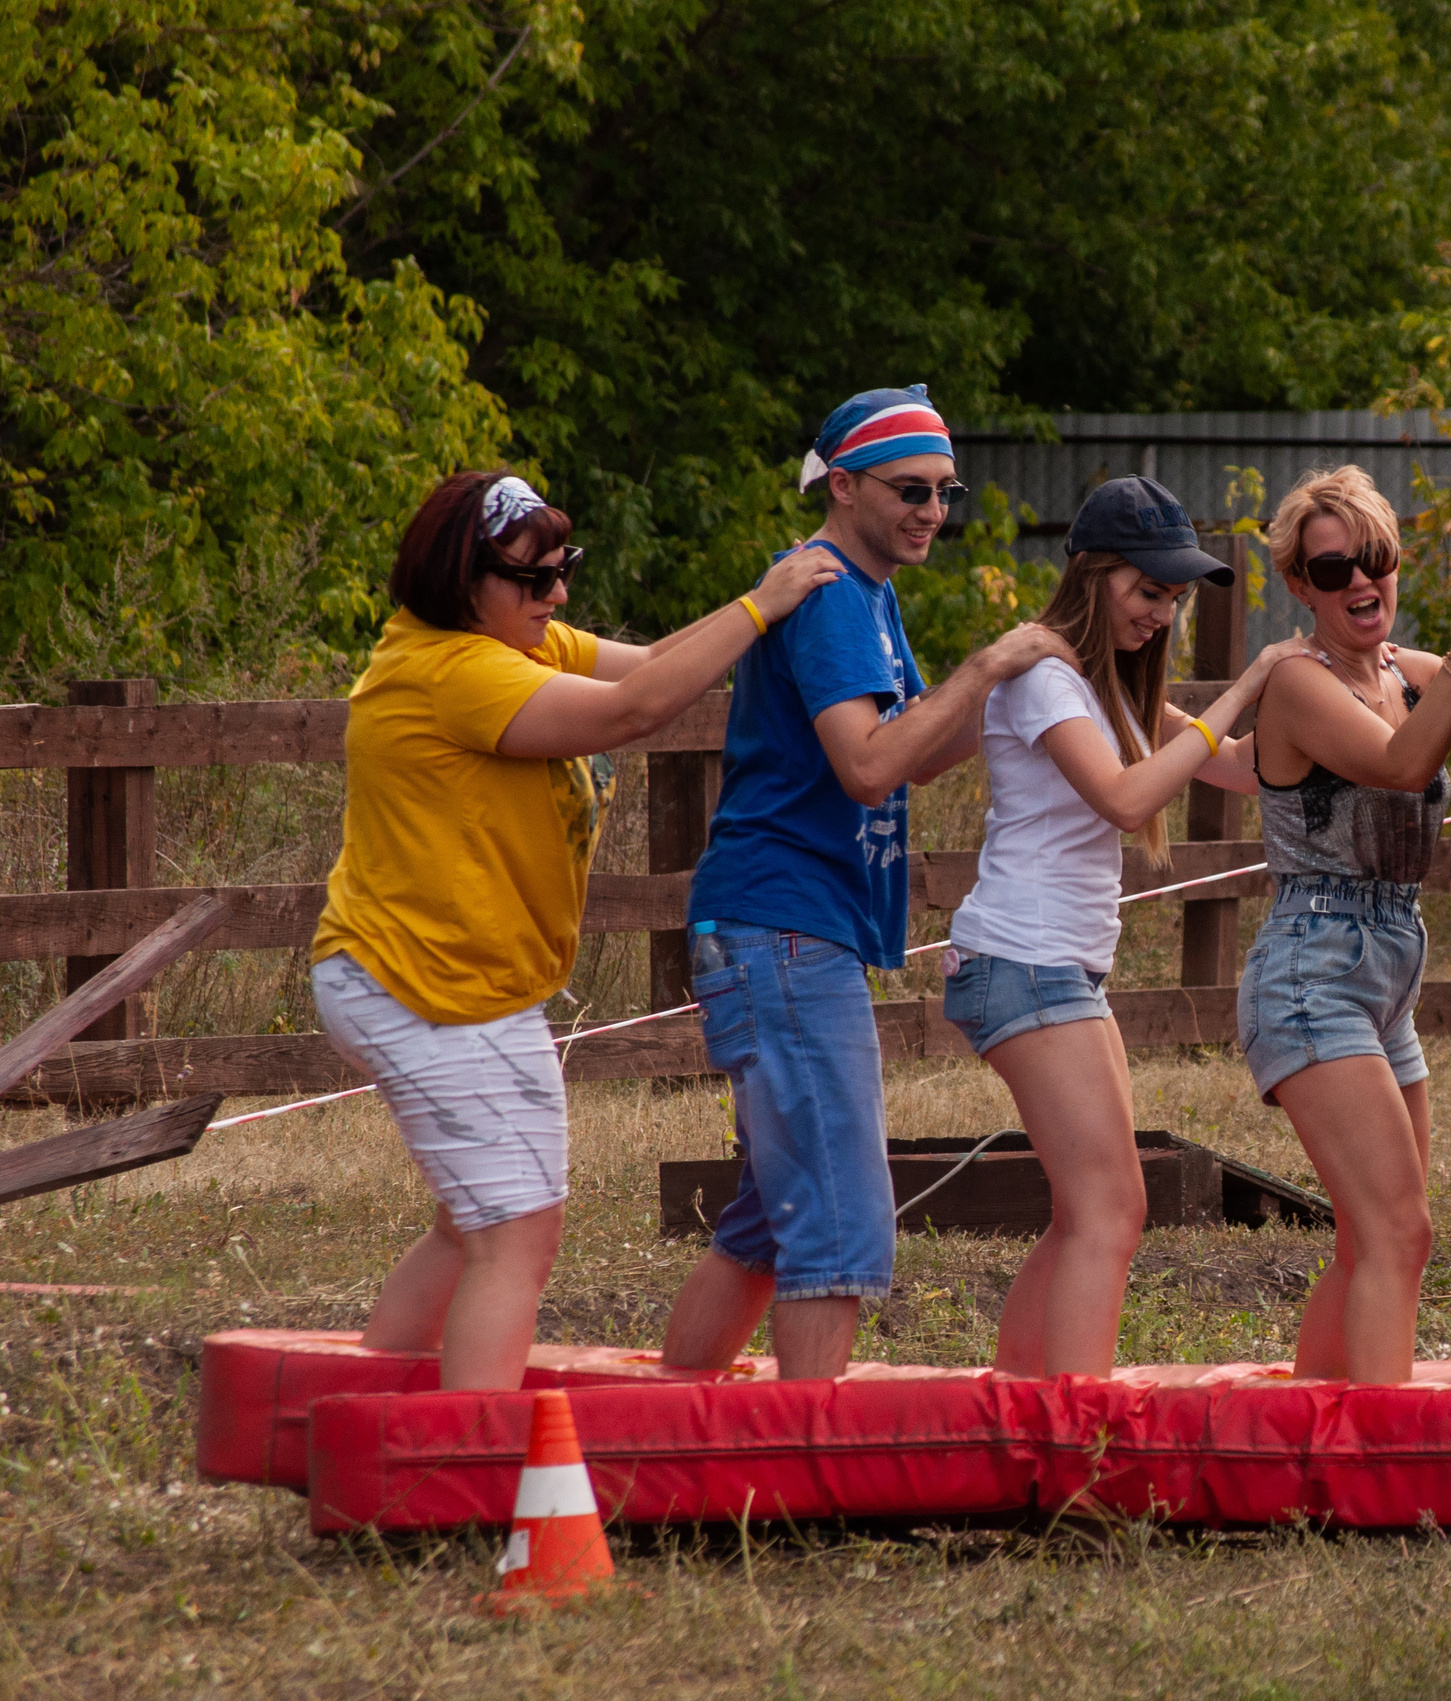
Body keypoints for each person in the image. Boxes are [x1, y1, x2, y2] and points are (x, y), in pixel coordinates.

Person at [311, 470, 842, 1390]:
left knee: (472, 1226)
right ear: (461, 579)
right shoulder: (454, 671)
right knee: (516, 1235)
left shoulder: (517, 638)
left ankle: (379, 1410)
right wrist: (763, 603)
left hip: (456, 985)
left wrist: (769, 616)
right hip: (422, 985)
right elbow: (635, 710)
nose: (556, 594)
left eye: (565, 568)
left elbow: (660, 663)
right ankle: (466, 1454)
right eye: (533, 577)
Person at [660, 385, 1076, 1382]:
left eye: (944, 490)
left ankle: (669, 1417)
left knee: (770, 1216)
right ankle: (808, 1459)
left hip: (787, 926)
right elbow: (869, 765)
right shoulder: (831, 593)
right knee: (839, 1221)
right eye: (909, 489)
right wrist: (984, 668)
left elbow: (915, 752)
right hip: (783, 925)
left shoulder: (867, 591)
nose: (932, 509)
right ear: (842, 485)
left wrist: (1034, 687)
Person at [942, 477, 1308, 1377]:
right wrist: (1245, 683)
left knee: (1091, 1212)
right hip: (1021, 961)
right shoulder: (1047, 678)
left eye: (1174, 598)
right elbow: (1125, 797)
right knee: (1111, 1210)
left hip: (1057, 968)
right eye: (1148, 591)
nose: (1162, 614)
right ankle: (1076, 1423)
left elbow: (1242, 767)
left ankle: (1021, 1403)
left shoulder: (1107, 687)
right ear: (1093, 575)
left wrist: (1331, 688)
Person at [1238, 466, 1451, 1385]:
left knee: (1378, 1234)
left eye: (1375, 558)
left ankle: (1315, 1421)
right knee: (1395, 1228)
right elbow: (1396, 763)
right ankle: (1376, 1439)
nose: (1360, 581)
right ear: (1300, 585)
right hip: (1312, 967)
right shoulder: (1298, 683)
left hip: (1388, 967)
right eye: (1331, 568)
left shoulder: (1405, 673)